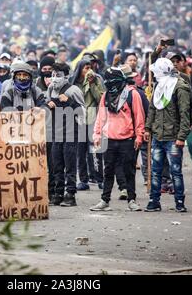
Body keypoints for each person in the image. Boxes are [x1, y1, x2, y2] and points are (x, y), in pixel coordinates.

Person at [90, 67, 145, 212]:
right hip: (109, 139)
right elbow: (100, 117)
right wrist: (96, 135)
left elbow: (139, 117)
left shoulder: (132, 94)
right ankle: (104, 200)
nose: (110, 85)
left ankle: (131, 200)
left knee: (129, 171)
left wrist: (139, 136)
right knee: (108, 171)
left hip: (128, 139)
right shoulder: (106, 95)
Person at [144, 58, 192, 213]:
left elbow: (185, 115)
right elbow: (152, 109)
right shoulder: (158, 86)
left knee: (175, 171)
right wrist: (147, 128)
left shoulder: (180, 87)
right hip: (158, 136)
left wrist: (181, 137)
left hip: (173, 138)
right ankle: (154, 201)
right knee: (156, 171)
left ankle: (179, 202)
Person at [47, 63, 85, 207]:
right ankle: (58, 193)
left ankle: (70, 194)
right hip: (56, 132)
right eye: (53, 75)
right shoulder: (50, 89)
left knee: (69, 165)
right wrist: (48, 105)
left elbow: (83, 113)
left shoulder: (74, 90)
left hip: (70, 132)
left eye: (58, 75)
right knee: (57, 165)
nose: (55, 78)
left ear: (66, 76)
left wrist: (69, 101)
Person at [72, 59, 105, 190]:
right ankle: (83, 180)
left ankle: (99, 178)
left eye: (90, 68)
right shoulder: (73, 83)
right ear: (80, 69)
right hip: (78, 121)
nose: (88, 71)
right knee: (80, 152)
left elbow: (100, 99)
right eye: (86, 68)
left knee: (96, 151)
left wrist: (92, 84)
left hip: (93, 120)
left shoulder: (97, 80)